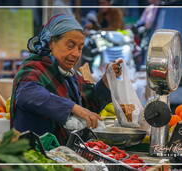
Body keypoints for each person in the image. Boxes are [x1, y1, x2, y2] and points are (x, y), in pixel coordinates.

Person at [10, 14, 123, 144]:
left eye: (80, 48)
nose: (76, 54)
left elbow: (88, 106)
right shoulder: (32, 68)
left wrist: (106, 81)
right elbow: (27, 94)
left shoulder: (69, 75)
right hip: (35, 153)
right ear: (51, 42)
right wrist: (72, 107)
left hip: (61, 154)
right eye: (70, 45)